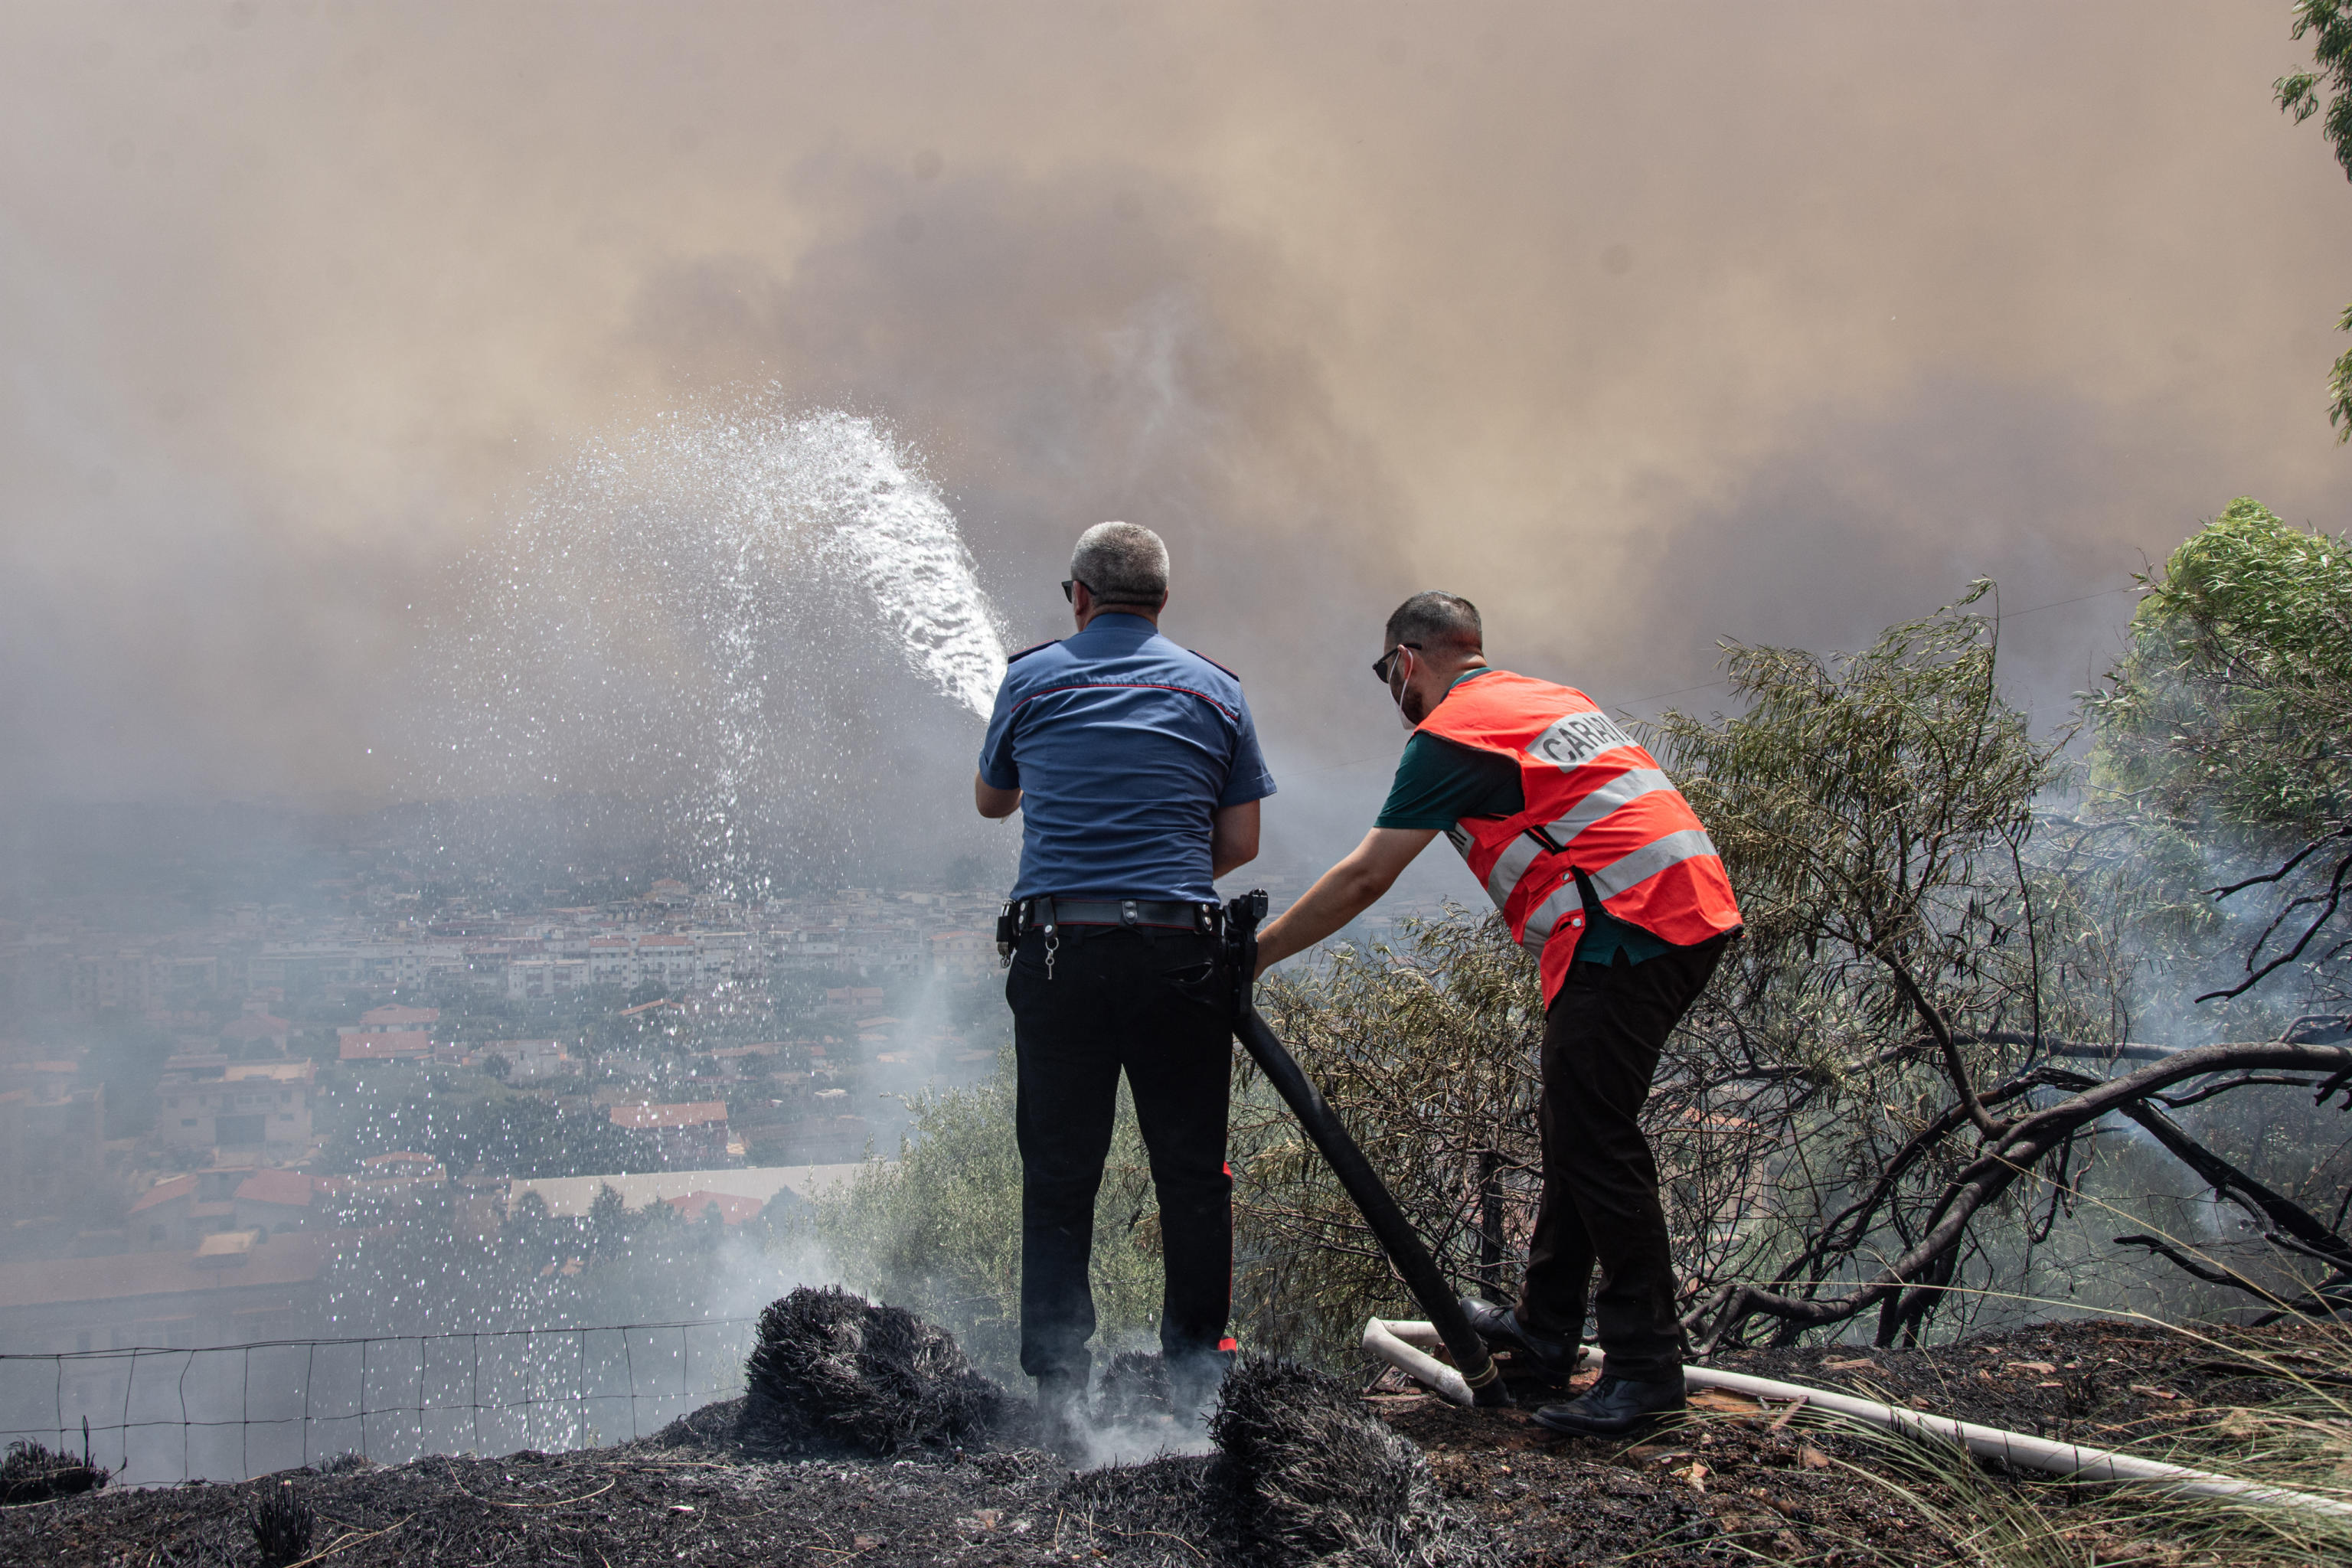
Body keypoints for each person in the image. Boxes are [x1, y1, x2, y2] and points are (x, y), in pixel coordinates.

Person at [1252, 591, 1740, 1437]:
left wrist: (1253, 953)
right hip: (1682, 906)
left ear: (1407, 660)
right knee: (1574, 1121)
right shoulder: (1552, 699)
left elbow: (1368, 875)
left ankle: (1647, 1369)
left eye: (1385, 672)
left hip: (1629, 926)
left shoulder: (1453, 734)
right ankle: (1545, 1329)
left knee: (1596, 1135)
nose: (1389, 689)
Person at [974, 521, 1276, 1440]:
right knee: (1193, 1172)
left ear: (1077, 596)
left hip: (1060, 953)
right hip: (1179, 958)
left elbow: (994, 800)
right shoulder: (1219, 689)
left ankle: (1060, 1387)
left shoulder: (1030, 678)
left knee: (1060, 1173)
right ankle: (1196, 1378)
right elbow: (1240, 844)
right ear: (1164, 602)